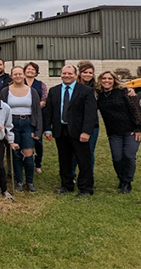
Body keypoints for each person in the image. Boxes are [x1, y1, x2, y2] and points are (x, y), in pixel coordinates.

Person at [43, 65, 98, 197]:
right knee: (64, 159)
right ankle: (66, 185)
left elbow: (90, 114)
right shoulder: (54, 91)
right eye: (64, 73)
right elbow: (48, 111)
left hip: (79, 132)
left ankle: (85, 188)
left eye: (69, 73)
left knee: (83, 160)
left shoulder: (85, 91)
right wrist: (47, 129)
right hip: (61, 130)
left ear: (75, 74)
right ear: (61, 74)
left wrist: (86, 132)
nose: (66, 76)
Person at [96, 71, 141, 193]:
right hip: (113, 133)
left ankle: (127, 182)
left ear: (114, 80)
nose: (107, 81)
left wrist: (139, 128)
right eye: (104, 78)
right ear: (100, 80)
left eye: (109, 78)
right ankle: (121, 179)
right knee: (117, 158)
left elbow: (136, 110)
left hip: (131, 131)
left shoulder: (125, 92)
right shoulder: (99, 95)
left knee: (129, 156)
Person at [0, 66, 43, 192]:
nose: (18, 76)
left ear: (24, 75)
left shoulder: (32, 91)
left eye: (20, 74)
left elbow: (37, 111)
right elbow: (1, 111)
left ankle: (29, 182)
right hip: (11, 123)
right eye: (15, 74)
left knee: (28, 153)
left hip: (28, 123)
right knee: (16, 153)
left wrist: (38, 130)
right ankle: (19, 181)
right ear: (11, 76)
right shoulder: (5, 91)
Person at [69, 60, 99, 179]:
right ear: (79, 73)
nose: (88, 75)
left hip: (91, 125)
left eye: (90, 73)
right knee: (73, 153)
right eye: (85, 72)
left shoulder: (97, 88)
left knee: (88, 153)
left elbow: (113, 88)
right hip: (74, 124)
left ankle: (87, 177)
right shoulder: (73, 87)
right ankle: (71, 175)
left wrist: (129, 89)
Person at [24, 62, 48, 173]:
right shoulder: (19, 83)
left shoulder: (41, 84)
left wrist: (34, 108)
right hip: (23, 117)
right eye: (28, 69)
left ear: (36, 72)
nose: (30, 71)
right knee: (23, 141)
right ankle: (24, 164)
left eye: (33, 69)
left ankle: (38, 164)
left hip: (37, 116)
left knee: (38, 142)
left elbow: (44, 100)